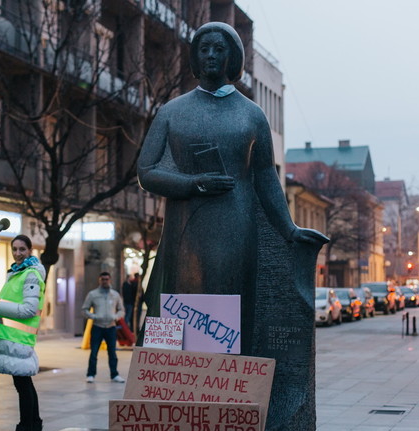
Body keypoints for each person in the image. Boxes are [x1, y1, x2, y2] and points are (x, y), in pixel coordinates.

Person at [136, 22, 327, 353]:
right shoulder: (172, 112)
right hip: (186, 228)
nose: (211, 55)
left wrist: (288, 229)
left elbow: (266, 176)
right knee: (183, 306)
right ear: (195, 57)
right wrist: (192, 184)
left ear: (233, 57)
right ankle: (181, 386)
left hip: (237, 227)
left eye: (219, 49)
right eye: (204, 49)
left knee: (230, 311)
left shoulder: (251, 114)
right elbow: (147, 172)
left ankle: (230, 386)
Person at [0, 235, 46, 431]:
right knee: (24, 385)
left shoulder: (30, 274)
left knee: (23, 386)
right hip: (13, 339)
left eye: (22, 249)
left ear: (30, 250)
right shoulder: (17, 273)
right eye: (14, 249)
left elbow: (28, 309)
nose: (17, 253)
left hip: (19, 340)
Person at [82, 272, 126, 383]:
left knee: (112, 352)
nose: (105, 281)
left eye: (107, 279)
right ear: (99, 280)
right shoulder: (93, 294)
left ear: (110, 280)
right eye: (103, 279)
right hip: (98, 326)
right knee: (94, 352)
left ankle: (114, 374)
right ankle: (91, 374)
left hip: (111, 327)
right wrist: (94, 316)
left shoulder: (115, 295)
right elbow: (84, 309)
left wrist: (116, 317)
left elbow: (121, 309)